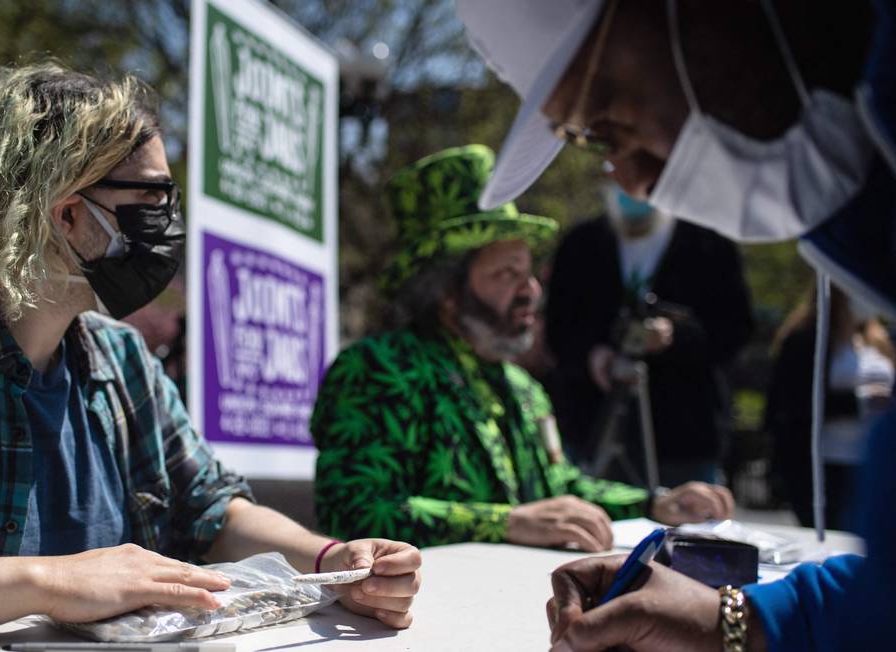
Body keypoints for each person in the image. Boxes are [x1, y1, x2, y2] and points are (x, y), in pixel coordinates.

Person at [0, 62, 421, 648]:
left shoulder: (122, 359)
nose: (169, 222)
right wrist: (48, 583)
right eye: (152, 198)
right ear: (69, 213)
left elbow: (211, 509)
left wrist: (330, 557)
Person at [456, 0, 894, 650]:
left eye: (608, 104)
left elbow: (731, 328)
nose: (629, 173)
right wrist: (741, 620)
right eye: (588, 141)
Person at [310, 145, 733, 552]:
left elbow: (561, 488)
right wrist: (508, 523)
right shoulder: (375, 370)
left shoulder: (520, 386)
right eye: (507, 273)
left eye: (529, 273)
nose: (530, 290)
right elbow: (354, 512)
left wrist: (656, 503)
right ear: (447, 292)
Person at [545, 184, 753, 486]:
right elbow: (558, 329)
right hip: (594, 427)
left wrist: (676, 336)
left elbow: (734, 330)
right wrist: (592, 355)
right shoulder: (581, 244)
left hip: (683, 437)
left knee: (684, 529)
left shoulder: (708, 245)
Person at [767, 284, 894, 529]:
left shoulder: (876, 338)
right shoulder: (807, 337)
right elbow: (794, 402)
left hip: (870, 461)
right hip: (826, 464)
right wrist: (859, 402)